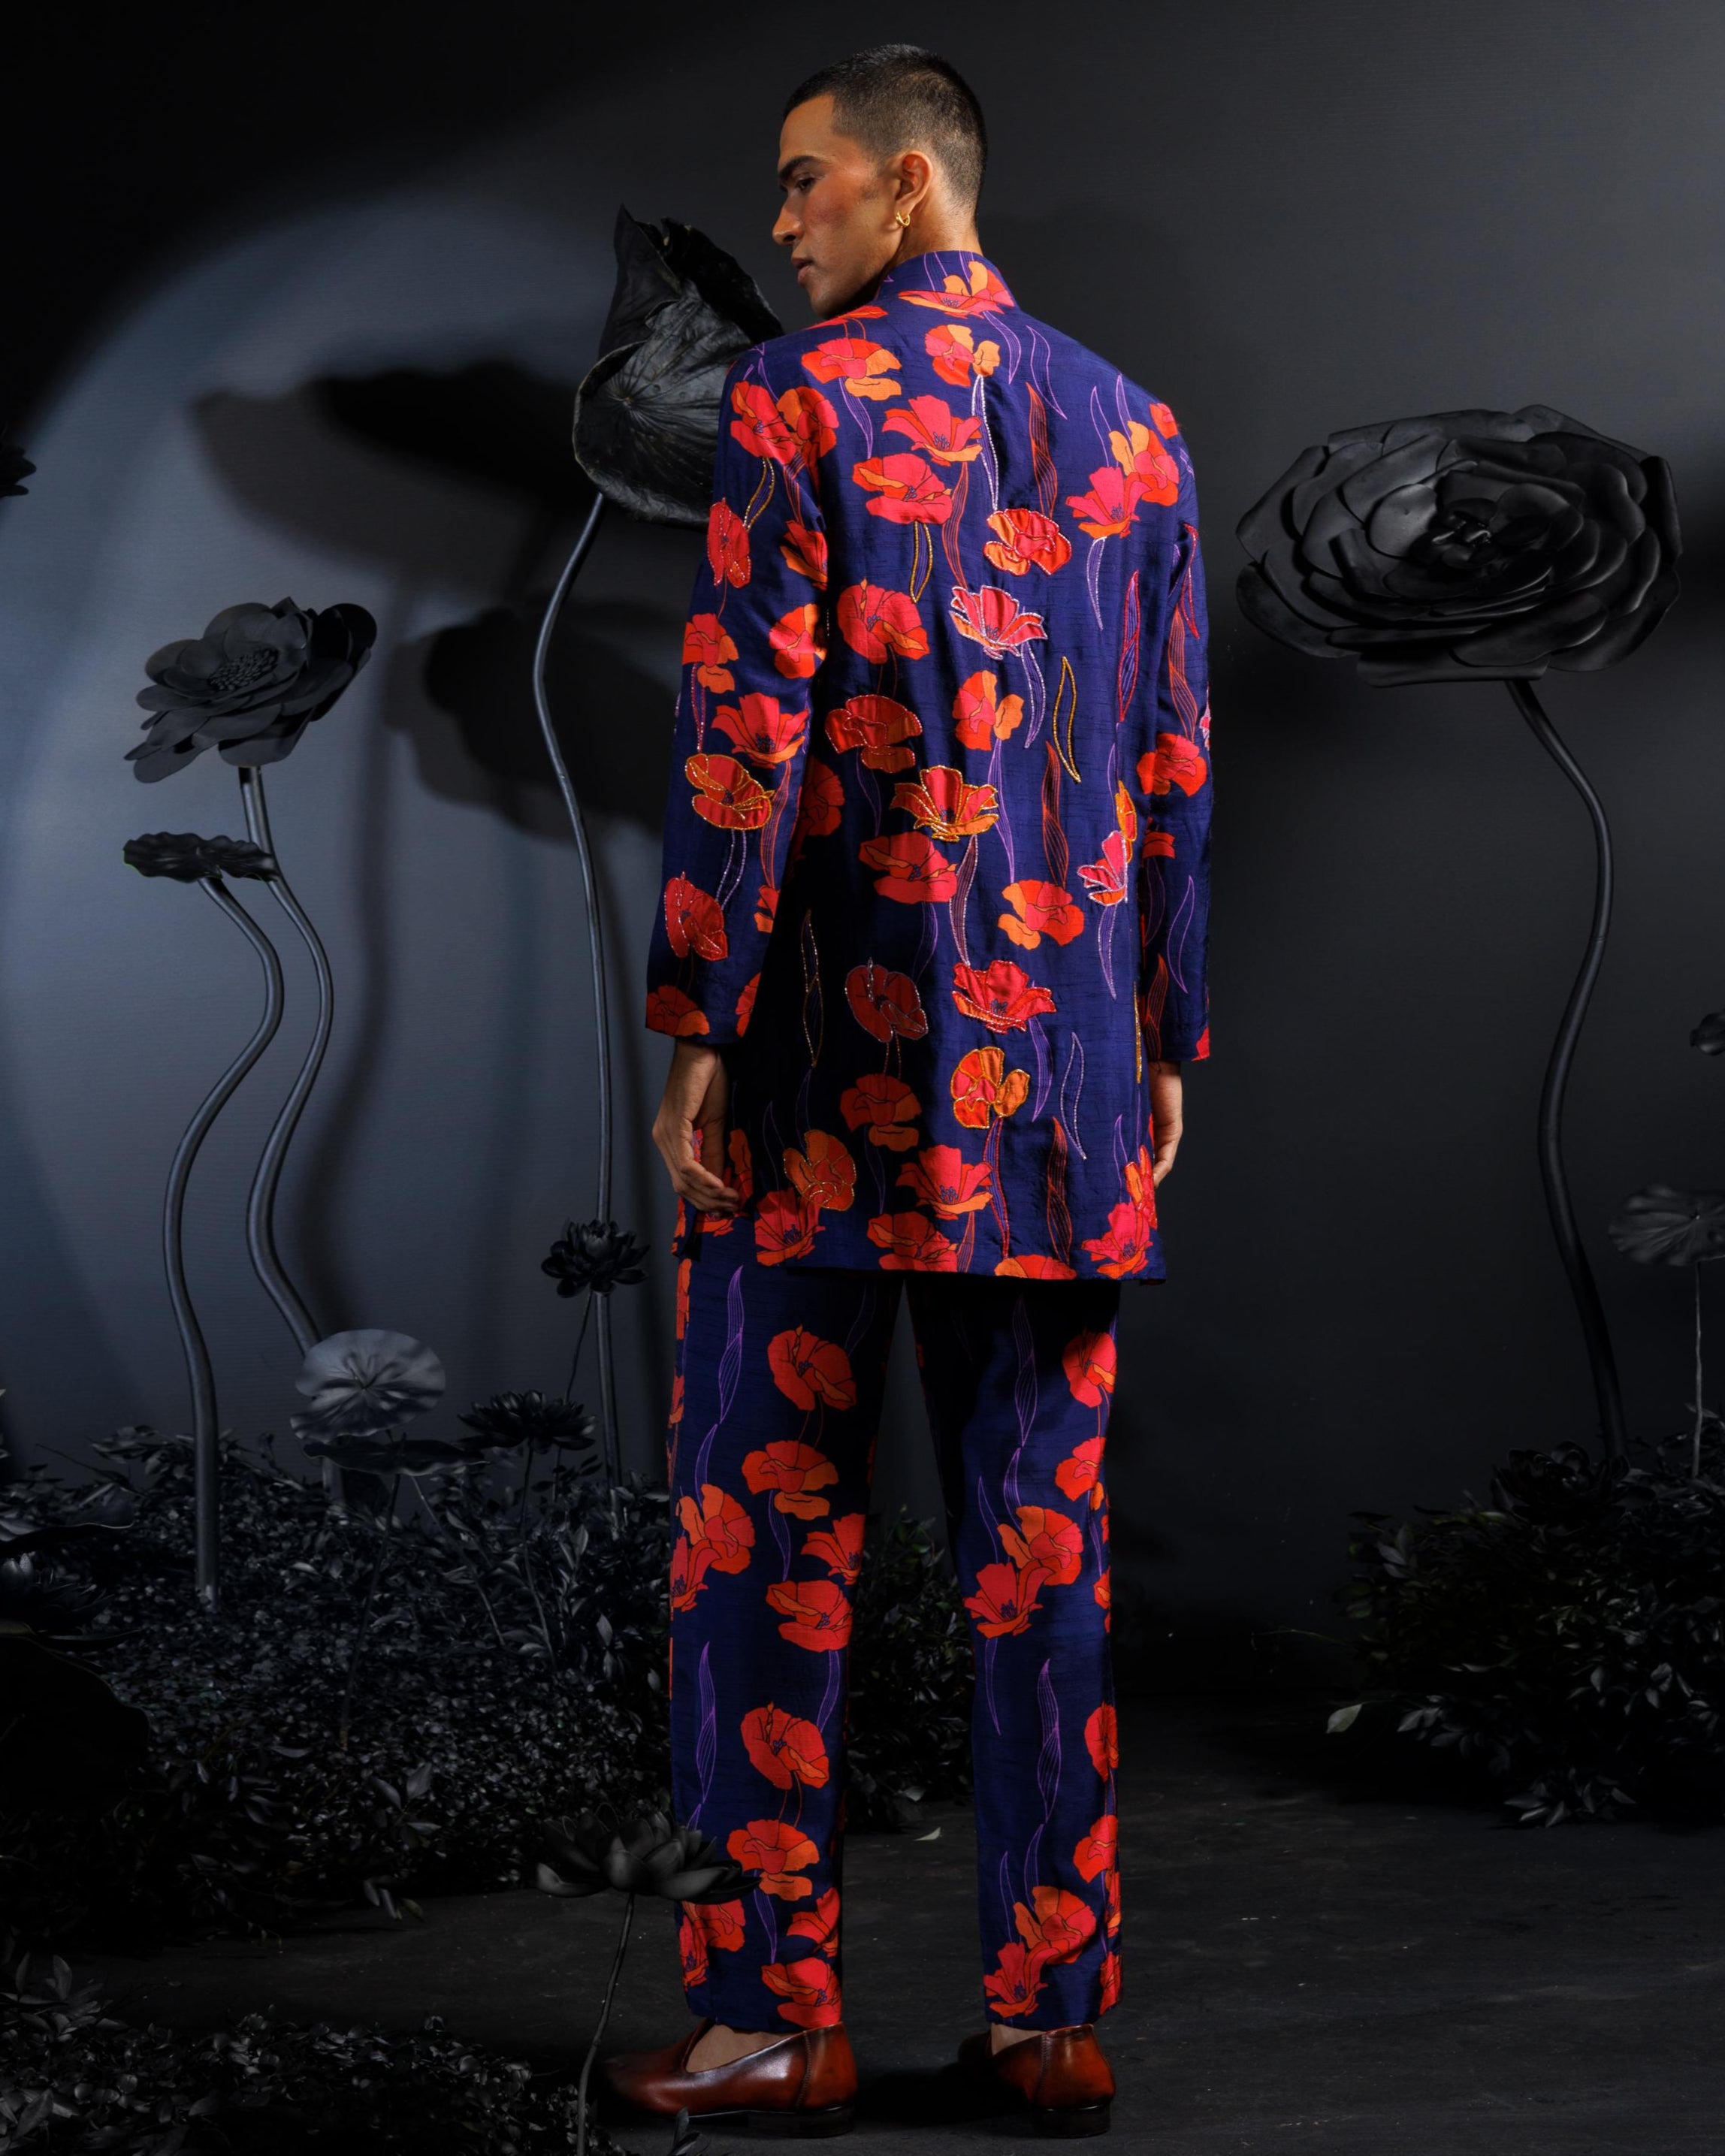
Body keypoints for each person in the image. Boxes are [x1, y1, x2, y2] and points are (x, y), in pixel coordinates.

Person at [605, 42, 1212, 2140]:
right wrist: (1164, 1032)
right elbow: (1173, 754)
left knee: (757, 1546)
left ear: (910, 186)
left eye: (808, 182)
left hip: (825, 1077)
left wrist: (696, 1018)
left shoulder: (796, 401)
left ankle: (770, 2022)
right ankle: (1055, 2024)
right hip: (1060, 1092)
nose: (783, 222)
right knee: (1045, 1562)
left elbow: (744, 732)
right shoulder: (1138, 428)